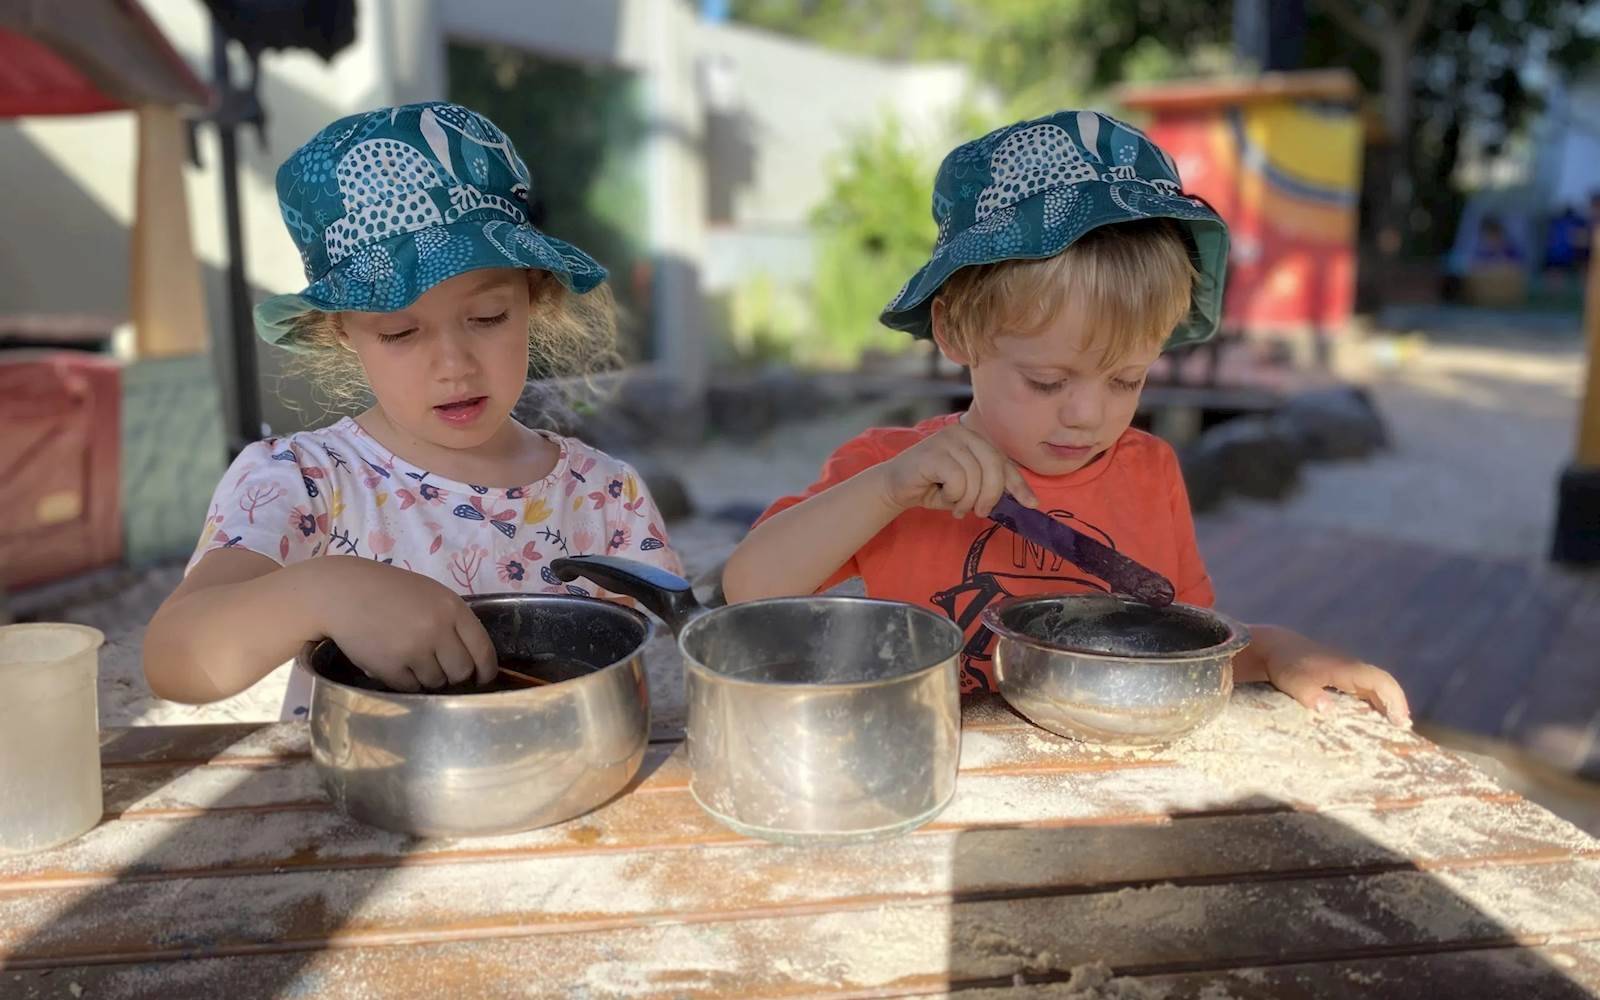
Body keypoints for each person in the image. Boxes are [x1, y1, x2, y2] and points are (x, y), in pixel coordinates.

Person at [722, 110, 1409, 725]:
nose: (1087, 414)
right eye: (1047, 380)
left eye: (1126, 378)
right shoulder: (889, 472)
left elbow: (1184, 647)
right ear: (956, 331)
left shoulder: (1150, 473)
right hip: (933, 775)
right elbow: (748, 589)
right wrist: (888, 490)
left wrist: (1281, 651)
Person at [144, 103, 681, 716]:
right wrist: (320, 592)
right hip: (374, 795)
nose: (453, 364)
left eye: (487, 318)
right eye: (400, 332)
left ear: (533, 296)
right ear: (343, 330)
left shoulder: (607, 496)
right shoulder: (303, 483)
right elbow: (174, 660)